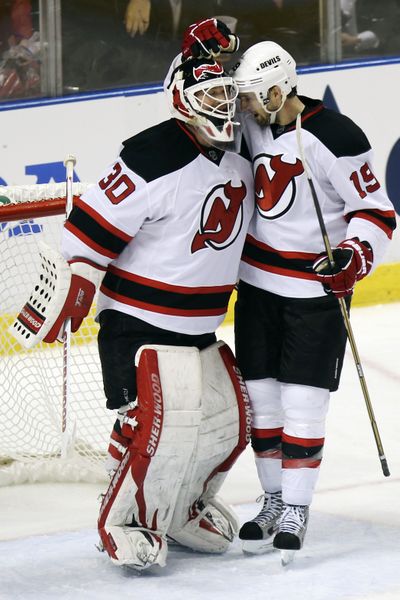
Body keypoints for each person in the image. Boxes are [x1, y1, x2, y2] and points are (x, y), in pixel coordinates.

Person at [11, 54, 254, 570]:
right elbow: (86, 230)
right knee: (165, 428)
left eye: (228, 94)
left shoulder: (239, 157)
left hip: (198, 327)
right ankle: (121, 520)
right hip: (139, 324)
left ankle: (182, 508)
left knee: (228, 422)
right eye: (211, 95)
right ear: (182, 99)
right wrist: (76, 285)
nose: (224, 106)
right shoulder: (151, 154)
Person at [180, 18, 397, 558]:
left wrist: (354, 255)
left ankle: (297, 507)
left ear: (279, 90)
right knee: (263, 403)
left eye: (254, 96)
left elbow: (376, 211)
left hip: (314, 298)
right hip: (256, 289)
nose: (245, 107)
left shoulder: (337, 138)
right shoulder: (251, 127)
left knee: (303, 405)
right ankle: (273, 499)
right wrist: (198, 48)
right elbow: (198, 100)